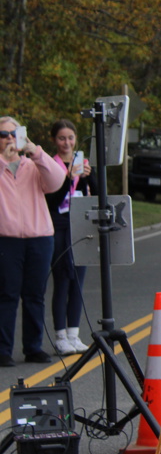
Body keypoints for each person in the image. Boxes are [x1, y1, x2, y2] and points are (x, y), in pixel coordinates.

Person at [0, 116, 65, 366]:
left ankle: (33, 347)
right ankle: (3, 349)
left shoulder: (33, 164)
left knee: (35, 295)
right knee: (7, 294)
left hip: (39, 237)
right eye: (3, 134)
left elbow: (57, 180)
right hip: (7, 239)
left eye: (13, 133)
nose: (8, 138)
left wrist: (35, 151)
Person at [45, 120, 94, 355]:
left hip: (80, 226)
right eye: (62, 138)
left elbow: (92, 195)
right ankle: (60, 336)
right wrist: (67, 178)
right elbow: (53, 201)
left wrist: (87, 177)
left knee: (78, 282)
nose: (67, 143)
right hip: (60, 227)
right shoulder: (50, 166)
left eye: (71, 138)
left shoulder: (82, 163)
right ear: (54, 140)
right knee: (62, 280)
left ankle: (74, 334)